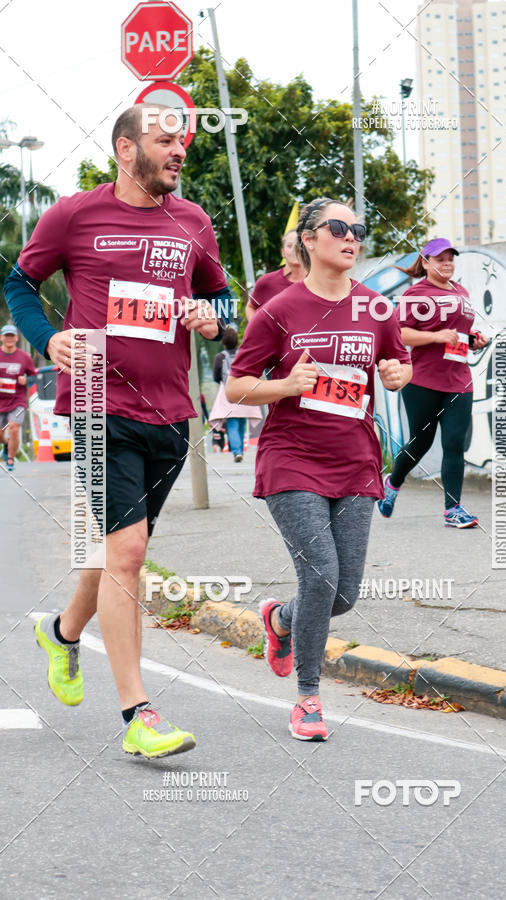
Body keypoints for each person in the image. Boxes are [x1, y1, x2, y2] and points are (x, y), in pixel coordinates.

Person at [4, 104, 231, 758]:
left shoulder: (194, 223)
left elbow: (221, 299)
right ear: (126, 150)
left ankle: (62, 633)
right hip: (100, 403)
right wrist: (49, 340)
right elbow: (19, 283)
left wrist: (214, 319)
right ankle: (139, 713)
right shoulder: (74, 215)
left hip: (170, 416)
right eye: (165, 141)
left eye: (182, 142)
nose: (179, 151)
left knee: (113, 552)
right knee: (128, 552)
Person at [226, 197, 412, 741]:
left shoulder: (378, 308)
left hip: (355, 461)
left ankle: (281, 619)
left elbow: (395, 364)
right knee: (321, 575)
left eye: (359, 227)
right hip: (292, 459)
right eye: (339, 227)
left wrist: (399, 374)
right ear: (309, 239)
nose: (352, 236)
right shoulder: (279, 309)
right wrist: (285, 386)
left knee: (344, 594)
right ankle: (308, 698)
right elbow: (237, 386)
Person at [378, 237, 489, 528]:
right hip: (423, 379)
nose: (447, 263)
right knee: (420, 443)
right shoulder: (416, 294)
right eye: (440, 259)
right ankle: (392, 482)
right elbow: (399, 334)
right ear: (426, 262)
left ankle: (453, 510)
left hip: (459, 380)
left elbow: (458, 333)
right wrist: (436, 336)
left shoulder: (462, 292)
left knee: (454, 443)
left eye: (451, 258)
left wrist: (473, 340)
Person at [210, 325, 260, 462]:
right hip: (244, 390)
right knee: (242, 420)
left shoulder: (220, 357)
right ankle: (240, 452)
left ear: (223, 342)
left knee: (232, 422)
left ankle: (237, 451)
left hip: (228, 393)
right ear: (237, 341)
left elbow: (215, 377)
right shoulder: (243, 354)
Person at [245, 229, 307, 321]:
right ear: (283, 252)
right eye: (290, 246)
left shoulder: (319, 281)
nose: (295, 249)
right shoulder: (266, 282)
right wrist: (258, 330)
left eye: (300, 245)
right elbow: (250, 307)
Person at [0, 323, 36, 471]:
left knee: (14, 428)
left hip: (17, 400)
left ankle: (10, 460)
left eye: (11, 336)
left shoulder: (24, 357)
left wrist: (26, 380)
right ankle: (6, 444)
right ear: (1, 338)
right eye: (6, 336)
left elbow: (34, 377)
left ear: (16, 338)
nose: (9, 339)